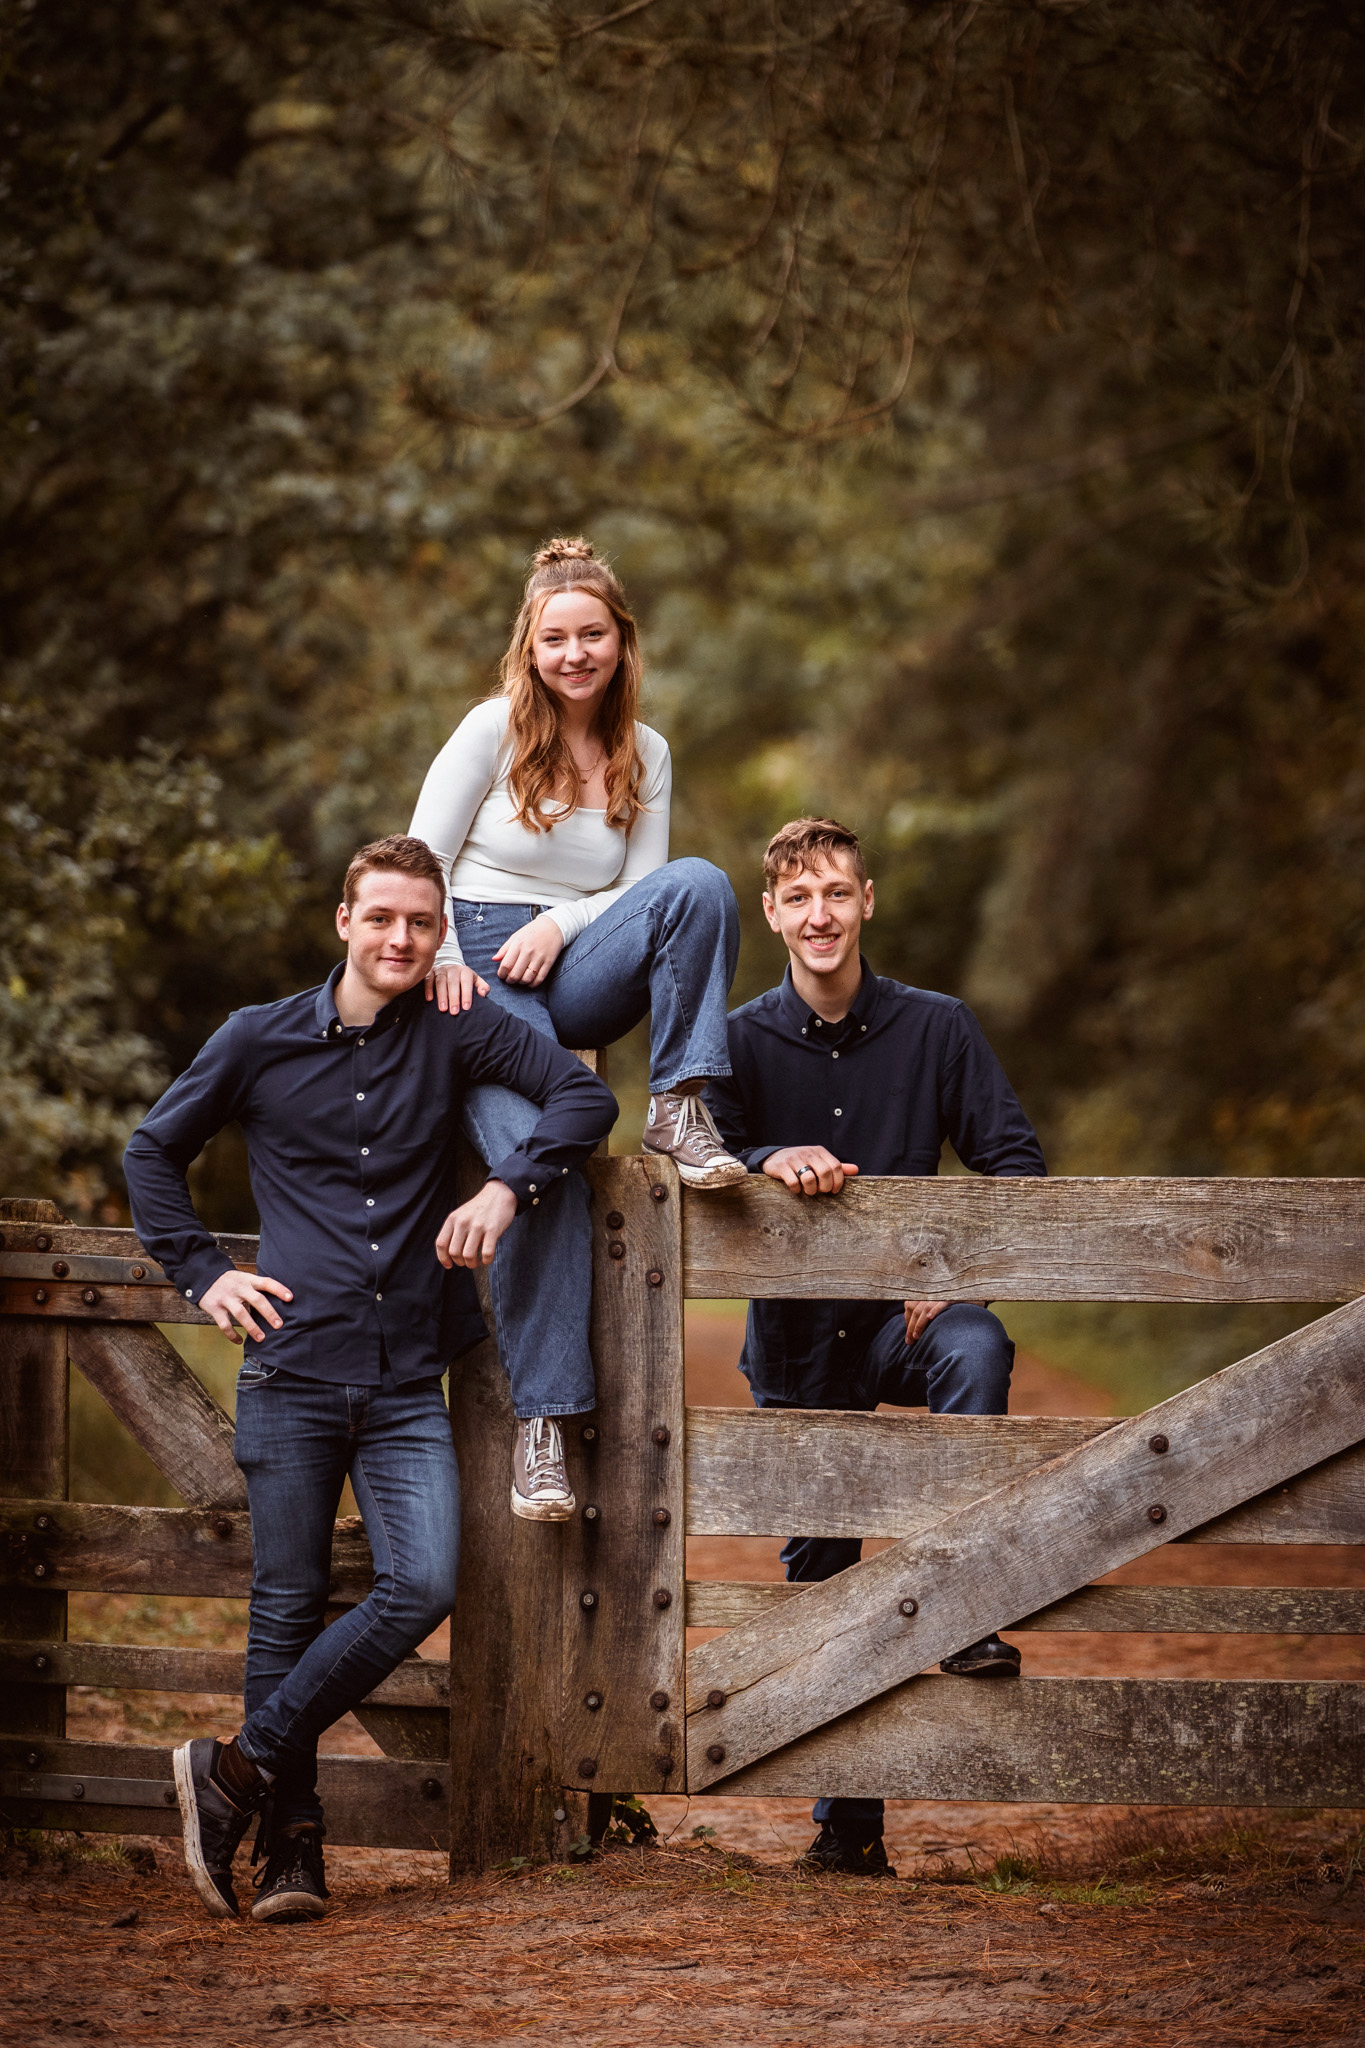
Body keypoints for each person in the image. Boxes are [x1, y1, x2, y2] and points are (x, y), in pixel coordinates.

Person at [123, 834, 615, 1926]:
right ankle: (292, 1850)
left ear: (441, 932)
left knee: (424, 1583)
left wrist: (507, 1189)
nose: (401, 938)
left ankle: (234, 1769)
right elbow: (150, 1151)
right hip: (291, 1372)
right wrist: (204, 1272)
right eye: (382, 918)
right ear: (342, 921)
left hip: (403, 1388)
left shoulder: (456, 1024)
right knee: (285, 1608)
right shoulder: (255, 1039)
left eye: (421, 922)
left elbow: (582, 1103)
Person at [705, 816, 1047, 1879]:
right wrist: (767, 1155)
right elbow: (702, 1150)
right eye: (798, 897)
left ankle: (965, 1604)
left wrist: (949, 1270)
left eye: (837, 894)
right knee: (824, 1573)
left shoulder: (940, 1028)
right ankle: (848, 1827)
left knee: (977, 1348)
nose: (820, 914)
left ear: (866, 903)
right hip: (801, 1348)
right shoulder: (737, 1038)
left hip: (911, 1327)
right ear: (773, 912)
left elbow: (1018, 1167)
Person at [408, 535, 746, 1522]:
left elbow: (644, 889)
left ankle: (683, 1104)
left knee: (701, 886)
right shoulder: (490, 731)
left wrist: (563, 921)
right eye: (555, 636)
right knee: (532, 1152)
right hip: (473, 957)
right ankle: (543, 1429)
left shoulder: (649, 751)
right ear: (531, 643)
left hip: (577, 960)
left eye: (591, 633)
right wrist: (448, 973)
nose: (574, 653)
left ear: (620, 640)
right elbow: (420, 857)